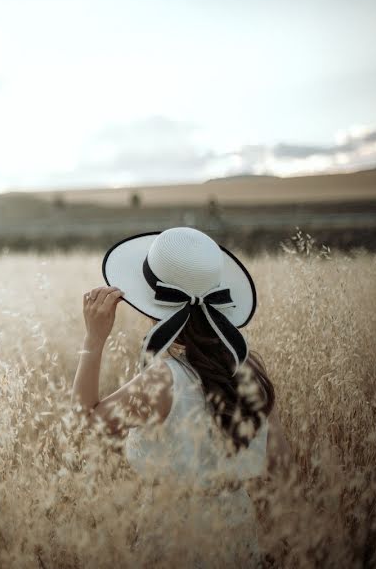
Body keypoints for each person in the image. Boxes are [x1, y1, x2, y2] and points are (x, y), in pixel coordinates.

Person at [72, 227, 292, 566]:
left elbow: (87, 423)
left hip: (175, 536)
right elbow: (280, 465)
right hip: (238, 533)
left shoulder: (164, 378)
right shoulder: (249, 367)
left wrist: (93, 338)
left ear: (152, 303)